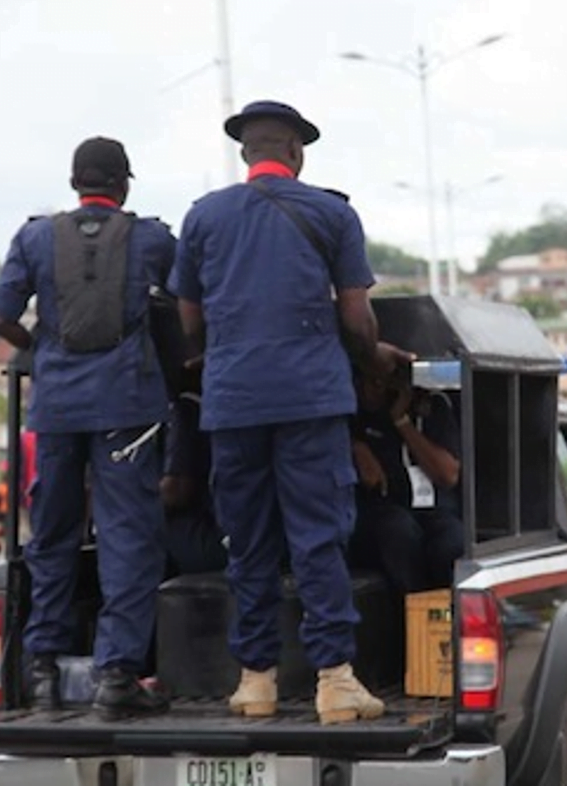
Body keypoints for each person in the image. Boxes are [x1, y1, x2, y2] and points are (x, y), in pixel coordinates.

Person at [170, 100, 410, 725]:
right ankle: (335, 681)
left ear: (246, 154)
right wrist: (374, 361)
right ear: (297, 154)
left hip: (232, 402)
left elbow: (188, 319)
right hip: (310, 399)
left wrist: (216, 359)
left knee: (246, 541)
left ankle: (255, 682)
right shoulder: (332, 213)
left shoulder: (203, 217)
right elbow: (357, 318)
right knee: (317, 538)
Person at [0, 136, 174, 720]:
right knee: (127, 538)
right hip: (126, 407)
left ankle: (43, 668)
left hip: (56, 409)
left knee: (52, 533)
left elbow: (0, 317)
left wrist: (39, 352)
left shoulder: (34, 236)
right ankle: (117, 674)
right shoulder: (151, 238)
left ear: (75, 183)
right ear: (124, 185)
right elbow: (190, 302)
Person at [349, 370, 463, 594]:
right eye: (369, 380)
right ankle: (414, 617)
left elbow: (447, 475)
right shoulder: (352, 413)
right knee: (398, 532)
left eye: (381, 381)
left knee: (453, 543)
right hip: (383, 510)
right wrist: (356, 447)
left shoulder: (431, 406)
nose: (374, 388)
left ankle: (448, 618)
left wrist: (402, 421)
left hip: (432, 511)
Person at [161, 371, 227, 577]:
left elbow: (177, 490)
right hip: (246, 537)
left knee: (132, 521)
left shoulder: (186, 408)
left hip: (208, 540)